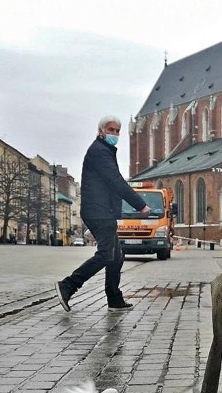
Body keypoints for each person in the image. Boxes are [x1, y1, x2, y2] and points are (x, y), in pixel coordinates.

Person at [54, 116, 150, 312]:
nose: (114, 134)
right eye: (111, 130)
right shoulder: (100, 152)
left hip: (102, 211)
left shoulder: (105, 150)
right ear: (100, 131)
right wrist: (140, 205)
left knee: (116, 257)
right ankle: (68, 285)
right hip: (99, 212)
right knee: (106, 255)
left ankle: (114, 299)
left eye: (117, 131)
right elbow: (116, 181)